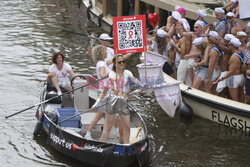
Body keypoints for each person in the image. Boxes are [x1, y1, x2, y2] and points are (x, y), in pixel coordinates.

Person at [91, 55, 143, 144]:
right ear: (115, 64)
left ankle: (126, 146)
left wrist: (142, 85)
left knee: (127, 127)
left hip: (123, 102)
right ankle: (101, 146)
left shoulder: (127, 72)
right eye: (119, 62)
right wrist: (96, 104)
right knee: (108, 127)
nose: (122, 63)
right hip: (112, 102)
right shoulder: (112, 74)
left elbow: (134, 80)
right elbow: (104, 92)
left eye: (123, 61)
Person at [84, 45, 112, 140]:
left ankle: (109, 132)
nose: (107, 53)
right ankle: (88, 134)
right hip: (105, 92)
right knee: (99, 115)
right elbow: (103, 75)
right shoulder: (101, 64)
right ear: (101, 53)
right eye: (105, 51)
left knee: (111, 114)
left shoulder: (101, 63)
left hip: (107, 91)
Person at [175, 19, 192, 86]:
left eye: (179, 24)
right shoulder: (190, 37)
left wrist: (176, 47)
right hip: (189, 60)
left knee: (180, 80)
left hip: (183, 61)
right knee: (188, 82)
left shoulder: (183, 39)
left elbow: (182, 52)